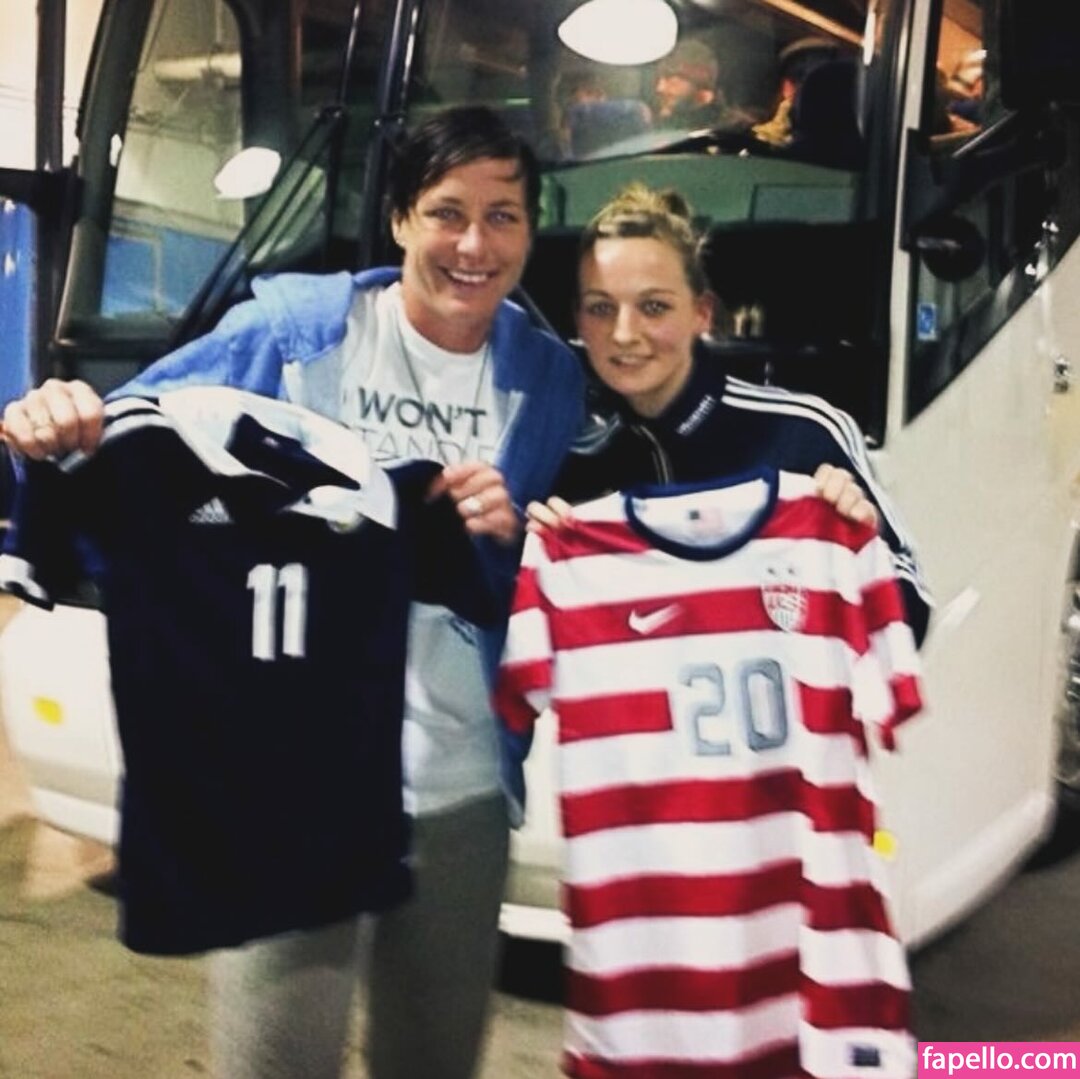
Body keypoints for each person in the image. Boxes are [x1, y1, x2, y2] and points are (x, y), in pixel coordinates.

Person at [2, 106, 585, 1079]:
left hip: (462, 786)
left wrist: (506, 535)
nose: (475, 245)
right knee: (277, 1061)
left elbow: (525, 572)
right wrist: (56, 419)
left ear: (530, 231)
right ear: (399, 219)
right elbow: (133, 428)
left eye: (504, 216)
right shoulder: (296, 336)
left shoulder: (548, 376)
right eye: (447, 212)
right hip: (289, 782)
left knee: (434, 1062)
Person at [530, 183, 931, 642]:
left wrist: (860, 542)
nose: (623, 333)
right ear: (577, 320)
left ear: (701, 313)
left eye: (653, 307)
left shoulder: (803, 432)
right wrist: (537, 556)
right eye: (601, 308)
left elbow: (911, 618)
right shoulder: (563, 454)